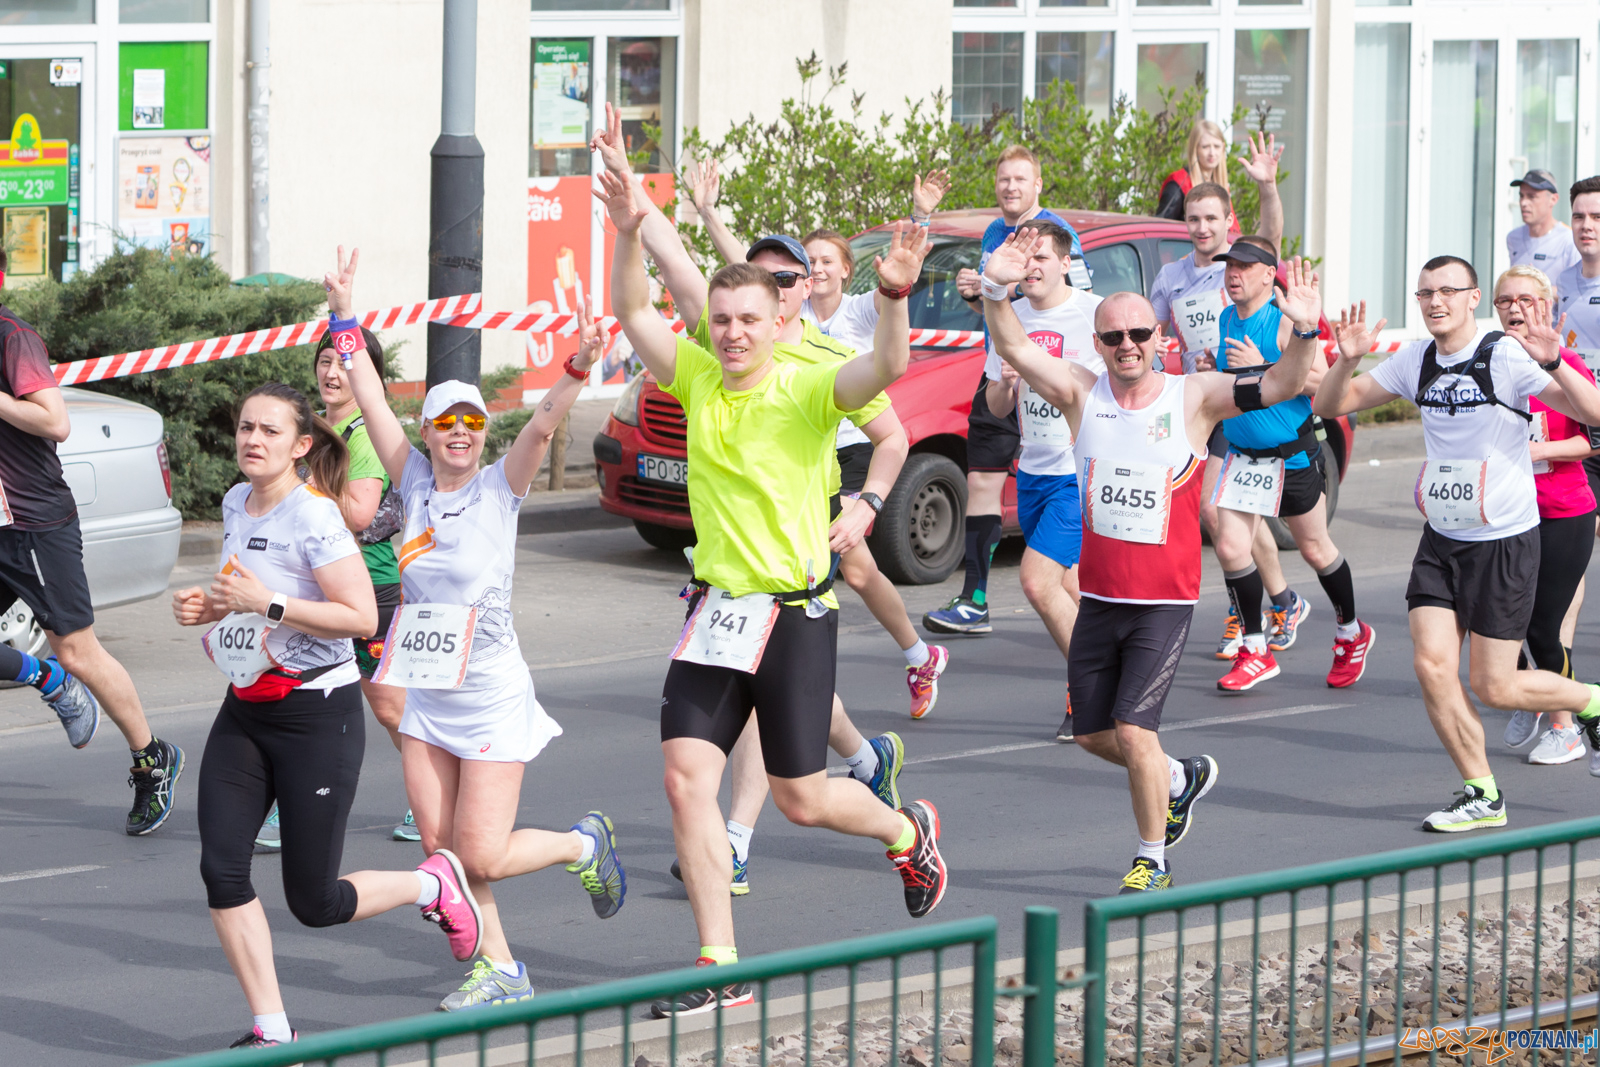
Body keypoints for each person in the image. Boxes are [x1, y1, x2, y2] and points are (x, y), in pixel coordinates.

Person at [600, 167, 947, 1015]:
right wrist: (625, 229)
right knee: (687, 778)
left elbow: (888, 368)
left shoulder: (807, 386)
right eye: (721, 320)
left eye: (749, 319)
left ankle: (907, 831)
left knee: (798, 798)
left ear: (777, 321)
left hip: (793, 615)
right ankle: (720, 969)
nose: (733, 334)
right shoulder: (697, 376)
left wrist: (894, 293)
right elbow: (636, 311)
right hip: (717, 610)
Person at [982, 228, 1322, 892]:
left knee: (1136, 731)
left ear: (1157, 337)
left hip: (1162, 604)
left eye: (1140, 334)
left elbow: (1282, 382)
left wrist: (1304, 332)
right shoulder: (1083, 394)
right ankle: (1179, 777)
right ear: (1099, 345)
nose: (1128, 346)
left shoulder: (1192, 397)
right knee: (1091, 735)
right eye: (1113, 338)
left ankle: (1151, 858)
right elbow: (1014, 345)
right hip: (1100, 601)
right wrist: (997, 287)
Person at [336, 248, 627, 1010]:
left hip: (493, 694)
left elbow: (542, 422)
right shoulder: (414, 480)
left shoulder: (504, 487)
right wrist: (343, 315)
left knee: (483, 854)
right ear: (428, 431)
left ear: (480, 429)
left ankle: (582, 843)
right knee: (443, 854)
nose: (459, 433)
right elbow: (367, 394)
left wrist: (574, 367)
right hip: (432, 694)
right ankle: (500, 968)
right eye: (444, 422)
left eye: (470, 420)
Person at [174, 381, 487, 1050]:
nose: (253, 440)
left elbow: (361, 617)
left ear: (301, 445)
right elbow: (245, 593)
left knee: (314, 902)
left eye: (270, 431)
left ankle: (429, 884)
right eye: (246, 427)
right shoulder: (236, 502)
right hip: (247, 710)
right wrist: (214, 605)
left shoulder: (315, 516)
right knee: (221, 869)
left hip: (318, 714)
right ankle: (274, 1031)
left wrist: (270, 602)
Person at [1316, 255, 1600, 828]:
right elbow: (1330, 407)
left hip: (1503, 542)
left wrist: (1557, 361)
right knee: (1430, 665)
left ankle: (1590, 699)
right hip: (1442, 537)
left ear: (1474, 298)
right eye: (1424, 293)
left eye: (1448, 290)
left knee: (1494, 685)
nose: (1435, 302)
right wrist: (1345, 361)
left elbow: (1592, 412)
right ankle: (1481, 792)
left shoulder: (1508, 355)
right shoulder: (1414, 359)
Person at [679, 151, 951, 718]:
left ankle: (916, 655)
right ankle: (867, 738)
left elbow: (899, 281)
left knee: (852, 565)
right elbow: (746, 271)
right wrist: (707, 212)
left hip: (848, 448)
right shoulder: (759, 324)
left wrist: (920, 217)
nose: (816, 272)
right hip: (798, 464)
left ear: (822, 277)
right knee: (805, 620)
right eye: (810, 261)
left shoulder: (851, 317)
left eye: (823, 264)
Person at [0, 258, 183, 837]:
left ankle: (153, 756)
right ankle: (45, 678)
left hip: (31, 523)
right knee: (60, 663)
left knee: (77, 650)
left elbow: (55, 421)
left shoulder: (13, 338)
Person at [256, 325, 416, 852]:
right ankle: (286, 802)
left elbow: (359, 511)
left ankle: (431, 793)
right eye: (325, 361)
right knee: (292, 692)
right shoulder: (314, 427)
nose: (331, 372)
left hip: (367, 589)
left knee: (390, 706)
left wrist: (298, 483)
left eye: (344, 363)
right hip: (309, 586)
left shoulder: (366, 434)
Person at [1145, 138, 1305, 660]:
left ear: (1227, 220)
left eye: (1211, 218)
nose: (1201, 228)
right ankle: (1279, 599)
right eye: (1193, 219)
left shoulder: (1239, 265)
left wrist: (1267, 184)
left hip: (1242, 400)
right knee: (1226, 512)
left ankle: (1250, 610)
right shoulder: (1171, 276)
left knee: (1221, 512)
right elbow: (1151, 334)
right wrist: (1154, 362)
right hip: (1198, 400)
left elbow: (1272, 236)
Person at [925, 145, 1083, 637]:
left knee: (1048, 569)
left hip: (1053, 381)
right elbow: (997, 310)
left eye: (1020, 179)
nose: (1010, 187)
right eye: (1003, 179)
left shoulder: (1059, 234)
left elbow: (1060, 301)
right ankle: (975, 598)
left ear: (1038, 185)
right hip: (1004, 368)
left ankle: (1099, 624)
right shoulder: (995, 232)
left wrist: (1006, 289)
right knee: (983, 483)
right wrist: (978, 293)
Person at [1207, 236, 1376, 692]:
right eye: (1229, 266)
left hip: (1292, 457)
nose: (1233, 273)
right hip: (1243, 456)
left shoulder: (1284, 323)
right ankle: (1255, 648)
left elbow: (1322, 386)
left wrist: (1265, 364)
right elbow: (1234, 384)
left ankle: (1350, 632)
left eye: (1244, 266)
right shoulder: (1225, 317)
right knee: (1229, 549)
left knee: (1316, 549)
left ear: (1268, 274)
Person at [980, 220, 1102, 741]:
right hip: (1031, 470)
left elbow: (1135, 381)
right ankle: (1107, 670)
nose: (1031, 269)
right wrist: (1008, 387)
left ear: (1066, 263)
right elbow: (993, 404)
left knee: (1036, 581)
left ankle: (1091, 689)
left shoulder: (1095, 314)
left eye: (1042, 259)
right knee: (1072, 586)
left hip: (1078, 473)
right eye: (1024, 261)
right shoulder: (1010, 317)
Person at [1488, 267, 1599, 763]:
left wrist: (1538, 451)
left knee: (1540, 628)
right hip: (1502, 511)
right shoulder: (1485, 362)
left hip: (1562, 512)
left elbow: (1590, 441)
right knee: (1490, 617)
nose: (1516, 308)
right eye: (1505, 300)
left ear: (1548, 307)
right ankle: (1525, 691)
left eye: (1528, 300)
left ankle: (1569, 727)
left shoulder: (1566, 362)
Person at [1154, 120, 1238, 235]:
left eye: (1217, 146)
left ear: (1223, 148)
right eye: (1205, 147)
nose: (1212, 153)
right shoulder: (1178, 183)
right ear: (1195, 149)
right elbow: (1160, 230)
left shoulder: (1220, 184)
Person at [1507, 170, 1579, 277]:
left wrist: (1536, 289)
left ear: (1553, 199)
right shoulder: (1513, 237)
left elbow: (1575, 288)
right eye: (1521, 196)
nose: (1523, 203)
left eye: (1532, 197)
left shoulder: (1570, 240)